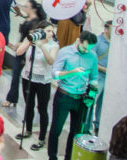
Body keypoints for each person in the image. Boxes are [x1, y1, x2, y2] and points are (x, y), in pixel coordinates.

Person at [47, 30, 99, 160]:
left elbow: (94, 77)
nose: (86, 51)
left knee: (76, 132)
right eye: (84, 47)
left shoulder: (92, 56)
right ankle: (52, 157)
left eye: (89, 49)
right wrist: (72, 72)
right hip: (64, 95)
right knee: (56, 130)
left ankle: (69, 157)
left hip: (80, 98)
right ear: (79, 41)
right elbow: (55, 74)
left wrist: (92, 93)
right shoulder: (65, 52)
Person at [15, 21, 58, 151]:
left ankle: (41, 138)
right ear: (41, 31)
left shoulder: (54, 45)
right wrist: (28, 42)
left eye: (52, 31)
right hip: (28, 77)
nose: (51, 33)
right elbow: (18, 52)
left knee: (42, 109)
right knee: (29, 105)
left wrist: (42, 46)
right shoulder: (31, 40)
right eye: (48, 30)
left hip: (43, 81)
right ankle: (27, 130)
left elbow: (51, 61)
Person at [2, 0, 46, 108]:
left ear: (33, 9)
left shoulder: (36, 22)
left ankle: (15, 99)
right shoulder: (28, 19)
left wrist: (21, 44)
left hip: (26, 52)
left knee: (18, 76)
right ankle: (13, 98)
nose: (24, 8)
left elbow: (31, 39)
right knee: (15, 75)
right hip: (21, 50)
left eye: (27, 6)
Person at [92, 20, 112, 134]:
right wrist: (106, 70)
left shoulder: (115, 44)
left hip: (109, 79)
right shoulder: (97, 42)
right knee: (92, 102)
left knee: (103, 104)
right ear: (106, 29)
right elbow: (92, 61)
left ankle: (99, 125)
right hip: (98, 77)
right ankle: (88, 126)